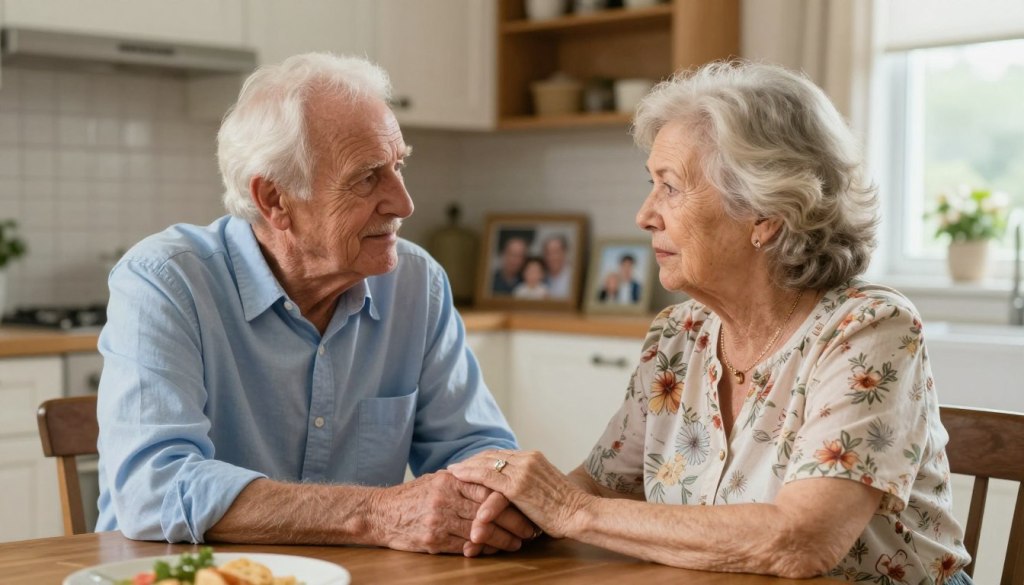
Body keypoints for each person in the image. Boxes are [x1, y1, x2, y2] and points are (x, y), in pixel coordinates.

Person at [449, 61, 973, 583]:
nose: (645, 214)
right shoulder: (678, 336)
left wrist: (569, 511)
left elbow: (803, 540)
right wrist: (519, 513)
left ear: (764, 215)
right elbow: (604, 485)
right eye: (651, 184)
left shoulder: (869, 329)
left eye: (670, 187)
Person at [94, 53, 537, 556]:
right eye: (368, 177)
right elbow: (154, 489)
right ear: (275, 200)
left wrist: (496, 492)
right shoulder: (165, 280)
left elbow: (482, 454)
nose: (404, 203)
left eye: (399, 166)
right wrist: (377, 514)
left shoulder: (417, 282)